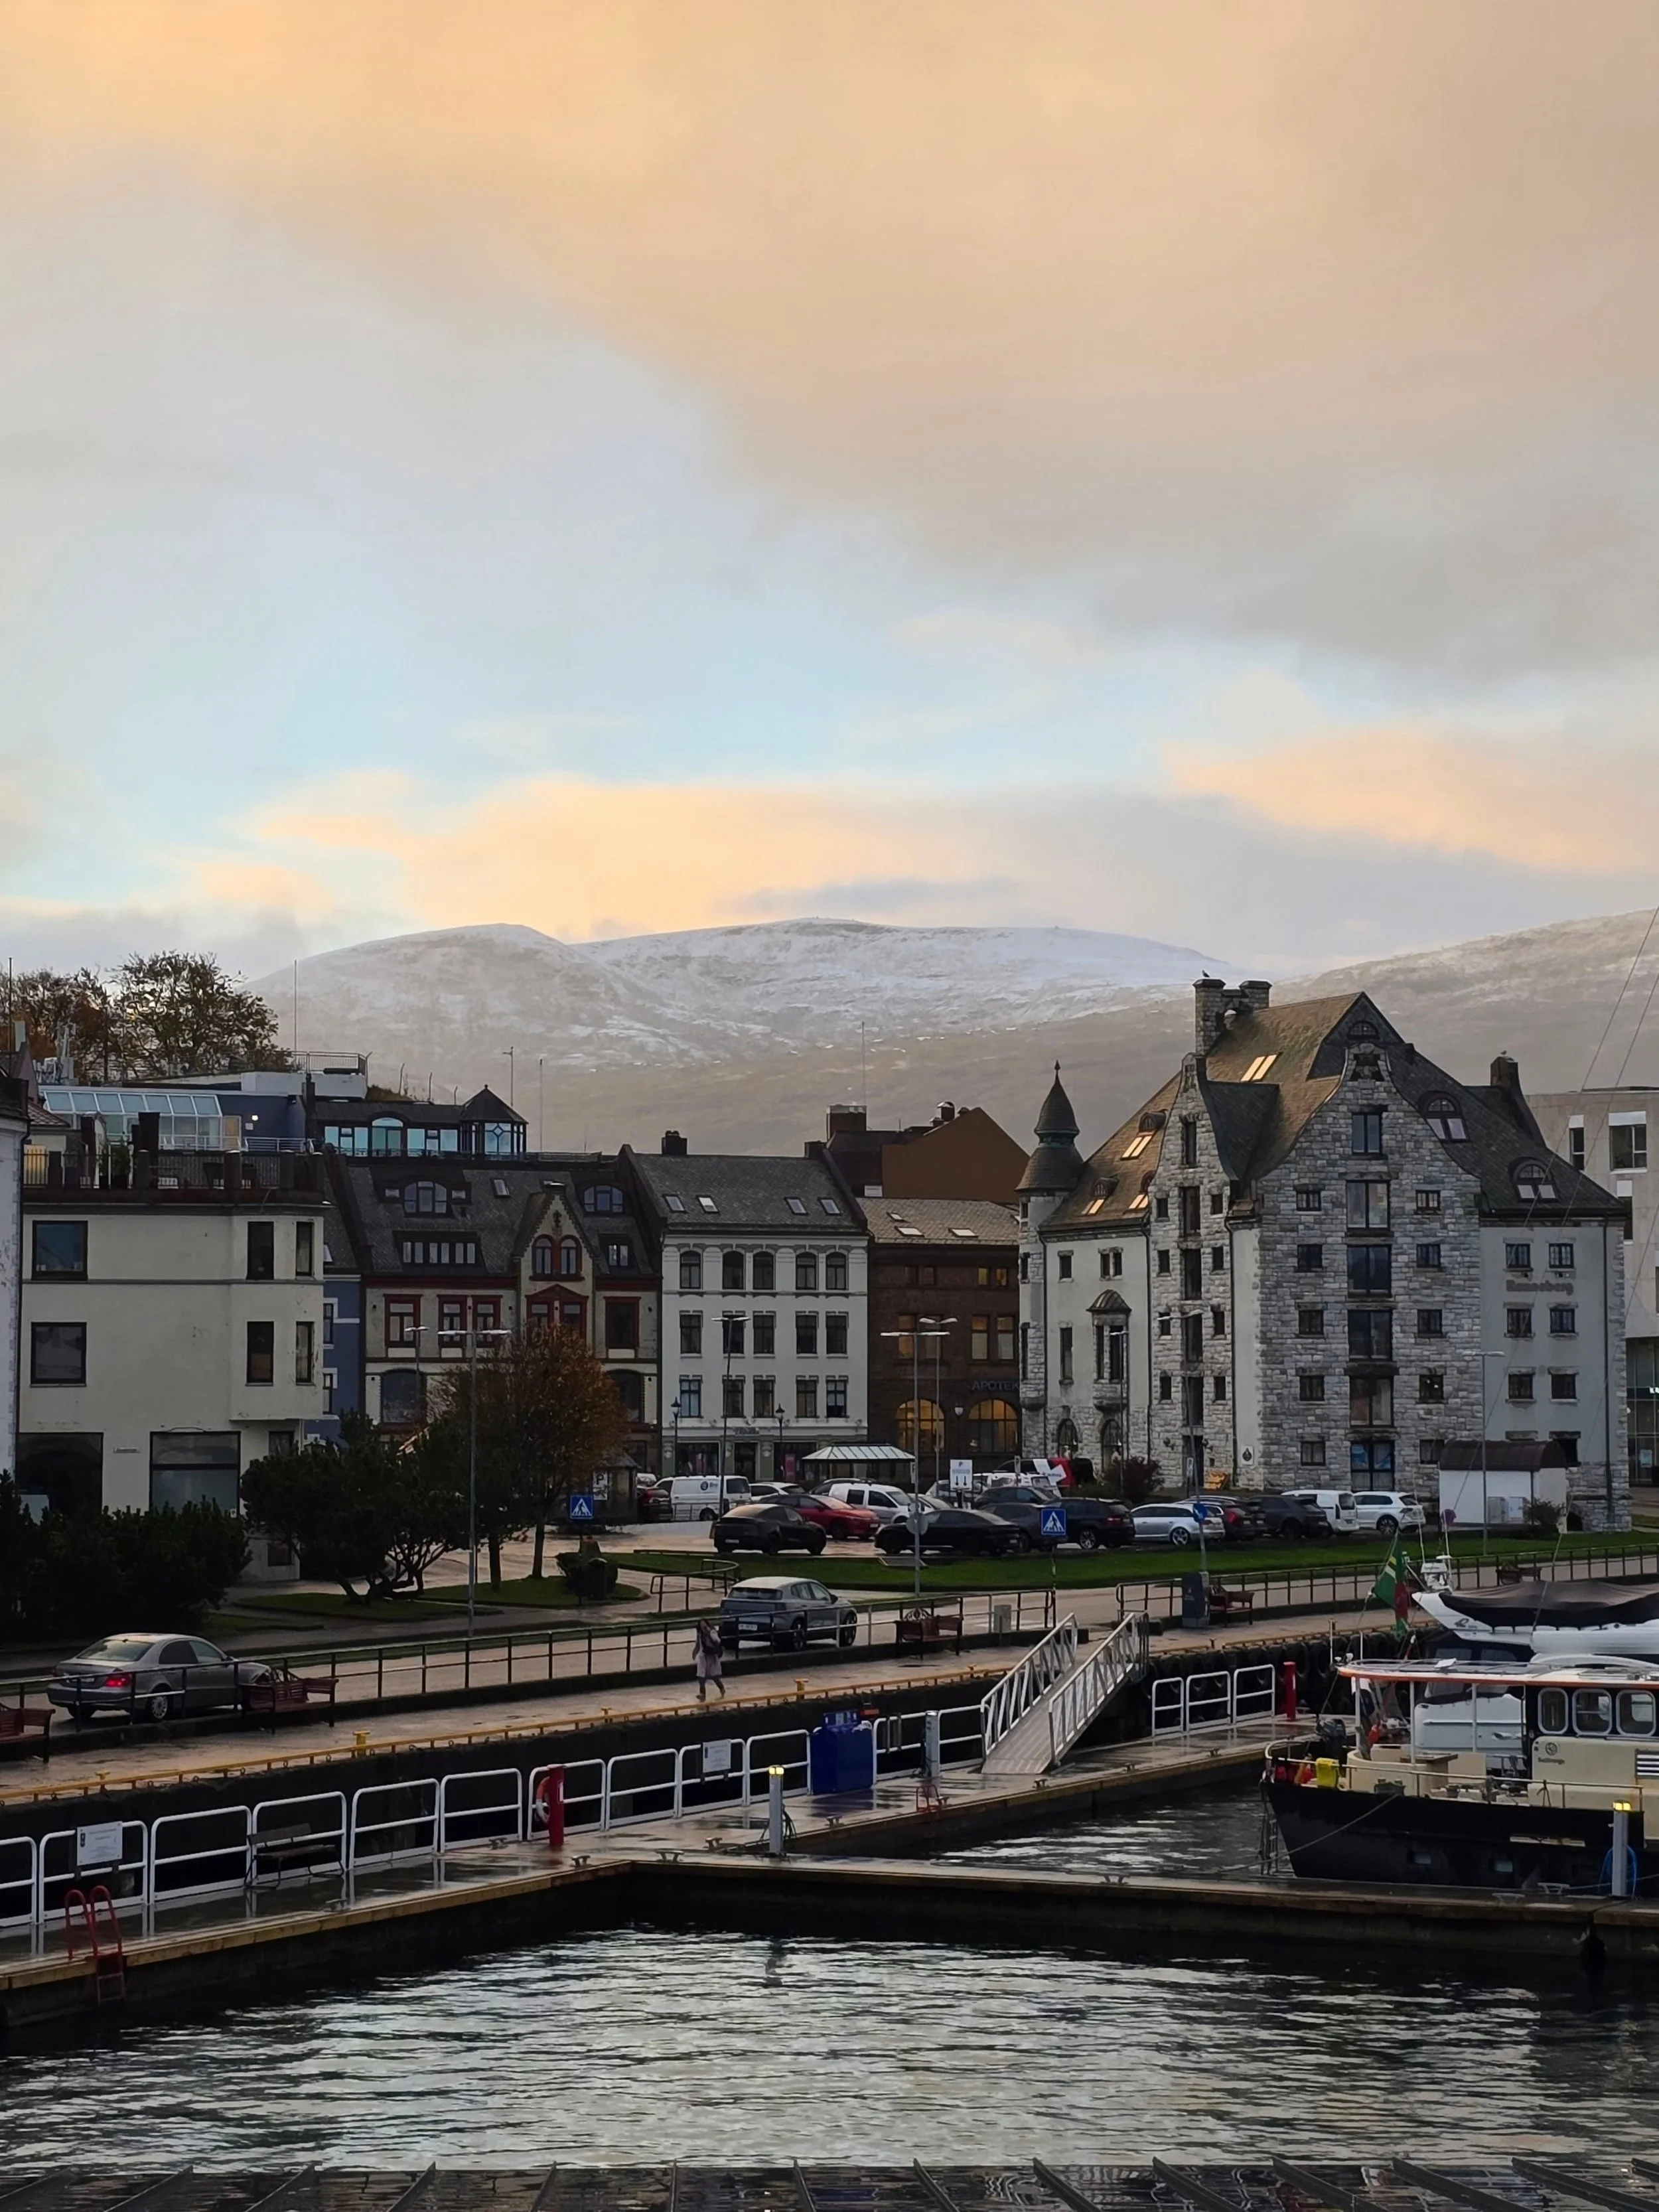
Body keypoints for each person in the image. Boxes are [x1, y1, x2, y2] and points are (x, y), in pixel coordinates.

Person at [693, 1615, 726, 1702]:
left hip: (712, 1657)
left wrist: (709, 1635)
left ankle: (722, 1688)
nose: (703, 1627)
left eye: (704, 1625)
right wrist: (695, 1653)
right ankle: (702, 1695)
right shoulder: (700, 1634)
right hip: (703, 1657)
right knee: (701, 1676)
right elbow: (698, 1644)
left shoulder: (712, 1632)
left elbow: (717, 1641)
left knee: (714, 1676)